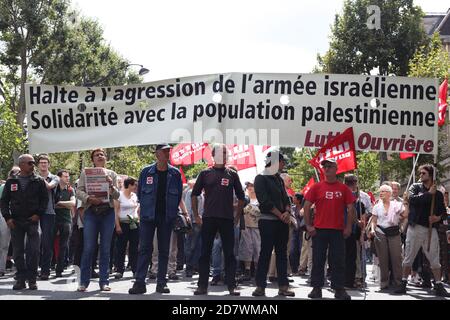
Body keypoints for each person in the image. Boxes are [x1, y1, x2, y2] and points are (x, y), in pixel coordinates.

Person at [129, 144, 185, 295]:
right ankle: (140, 283)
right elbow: (140, 193)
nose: (168, 153)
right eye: (165, 151)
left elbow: (178, 195)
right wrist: (147, 208)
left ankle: (162, 283)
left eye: (169, 151)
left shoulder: (175, 173)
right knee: (144, 249)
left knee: (164, 250)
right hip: (148, 216)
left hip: (166, 217)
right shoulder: (146, 171)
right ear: (157, 154)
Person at [191, 143, 245, 296]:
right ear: (213, 156)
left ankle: (232, 286)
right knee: (204, 253)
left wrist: (236, 216)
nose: (222, 156)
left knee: (229, 254)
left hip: (227, 219)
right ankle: (202, 286)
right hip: (208, 218)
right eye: (219, 153)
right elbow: (194, 194)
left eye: (225, 153)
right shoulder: (205, 173)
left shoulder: (232, 174)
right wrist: (196, 215)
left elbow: (242, 197)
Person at [304, 158, 355, 300]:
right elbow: (307, 206)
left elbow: (351, 208)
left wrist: (349, 227)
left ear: (336, 169)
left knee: (338, 260)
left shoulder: (344, 188)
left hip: (338, 231)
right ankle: (316, 288)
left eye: (330, 166)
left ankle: (339, 289)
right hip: (319, 230)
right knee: (318, 260)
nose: (326, 168)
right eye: (325, 166)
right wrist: (309, 225)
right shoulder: (316, 187)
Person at [395, 164, 450, 297]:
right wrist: (428, 194)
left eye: (423, 173)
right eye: (420, 173)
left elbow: (443, 211)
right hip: (416, 228)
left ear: (430, 175)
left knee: (434, 258)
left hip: (431, 230)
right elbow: (412, 200)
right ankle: (403, 283)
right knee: (409, 256)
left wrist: (437, 218)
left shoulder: (437, 193)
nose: (420, 175)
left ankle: (438, 284)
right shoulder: (415, 187)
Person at [0, 154, 48, 290]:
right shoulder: (11, 181)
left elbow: (45, 200)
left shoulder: (39, 181)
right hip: (16, 221)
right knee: (18, 252)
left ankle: (32, 279)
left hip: (33, 221)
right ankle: (20, 279)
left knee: (33, 250)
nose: (33, 165)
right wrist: (7, 218)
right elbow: (4, 202)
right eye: (30, 163)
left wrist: (38, 214)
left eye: (34, 163)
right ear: (21, 165)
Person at [76, 148, 120, 292]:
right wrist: (89, 198)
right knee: (89, 247)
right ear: (93, 159)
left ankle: (104, 282)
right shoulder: (85, 173)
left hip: (108, 213)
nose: (100, 156)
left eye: (102, 154)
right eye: (96, 155)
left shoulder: (112, 174)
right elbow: (78, 191)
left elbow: (117, 195)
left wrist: (111, 185)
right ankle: (83, 282)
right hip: (91, 213)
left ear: (105, 158)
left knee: (106, 249)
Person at [252, 150, 295, 297]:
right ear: (276, 162)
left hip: (282, 221)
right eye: (282, 162)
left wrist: (287, 212)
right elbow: (264, 201)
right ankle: (260, 286)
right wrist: (280, 214)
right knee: (265, 253)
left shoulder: (278, 179)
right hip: (268, 221)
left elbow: (286, 199)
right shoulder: (260, 178)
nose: (283, 165)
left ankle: (283, 286)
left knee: (282, 254)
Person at [369, 184, 407, 290]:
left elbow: (405, 215)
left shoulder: (397, 205)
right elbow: (374, 221)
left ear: (389, 193)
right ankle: (384, 283)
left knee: (396, 258)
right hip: (380, 232)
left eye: (384, 191)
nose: (381, 193)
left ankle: (399, 283)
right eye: (380, 191)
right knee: (383, 259)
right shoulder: (377, 206)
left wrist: (406, 204)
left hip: (394, 232)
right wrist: (372, 230)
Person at [36, 154, 59, 280]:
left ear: (49, 164)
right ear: (38, 165)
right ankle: (32, 270)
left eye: (45, 162)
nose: (43, 164)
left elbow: (49, 187)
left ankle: (45, 270)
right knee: (33, 243)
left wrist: (37, 178)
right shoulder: (32, 177)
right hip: (33, 212)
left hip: (49, 213)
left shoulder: (54, 178)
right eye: (41, 162)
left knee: (47, 243)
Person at [113, 177, 140, 279]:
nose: (135, 187)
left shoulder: (134, 196)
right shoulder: (119, 195)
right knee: (121, 247)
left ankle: (135, 269)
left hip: (134, 223)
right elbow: (115, 211)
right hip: (123, 223)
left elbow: (137, 209)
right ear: (129, 185)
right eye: (134, 185)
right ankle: (119, 269)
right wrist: (117, 225)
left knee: (134, 247)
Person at [54, 169, 75, 277]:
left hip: (66, 220)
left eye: (68, 176)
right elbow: (51, 205)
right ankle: (48, 266)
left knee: (63, 245)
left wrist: (59, 203)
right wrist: (64, 204)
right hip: (53, 219)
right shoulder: (54, 189)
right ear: (59, 178)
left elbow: (72, 203)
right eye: (65, 176)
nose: (68, 178)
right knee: (47, 244)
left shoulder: (70, 190)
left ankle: (59, 269)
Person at [238, 180, 261, 282]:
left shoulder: (261, 199)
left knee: (257, 247)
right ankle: (247, 270)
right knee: (247, 248)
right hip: (246, 226)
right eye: (248, 186)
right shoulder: (245, 199)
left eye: (252, 186)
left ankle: (257, 271)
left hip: (258, 227)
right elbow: (239, 211)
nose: (250, 188)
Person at [0, 167, 19, 277]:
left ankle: (19, 269)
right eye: (14, 172)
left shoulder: (24, 185)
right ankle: (1, 268)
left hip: (19, 216)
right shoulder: (3, 187)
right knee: (4, 243)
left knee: (19, 244)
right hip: (5, 216)